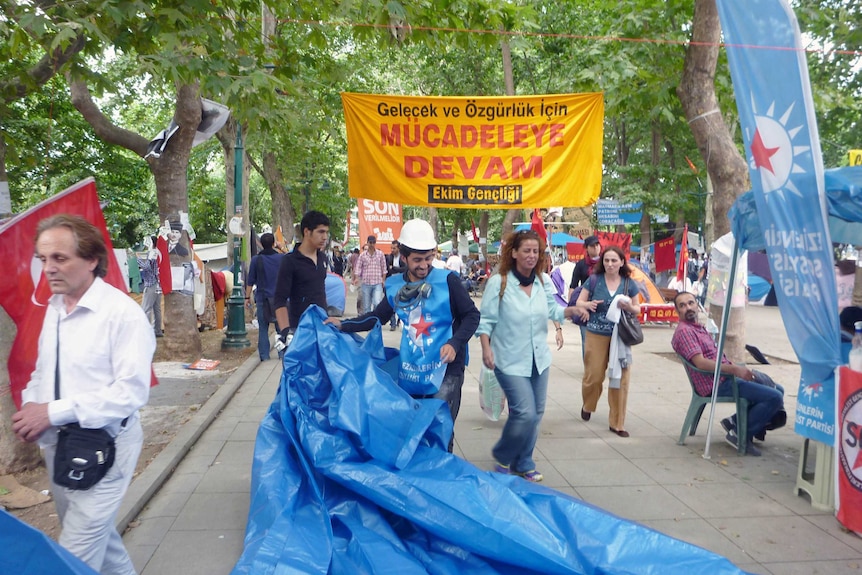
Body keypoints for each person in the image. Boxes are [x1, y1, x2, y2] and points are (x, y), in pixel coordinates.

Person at [12, 214, 155, 575]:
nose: (48, 268)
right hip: (58, 445)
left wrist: (52, 411)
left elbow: (131, 392)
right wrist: (32, 405)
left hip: (105, 447)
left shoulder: (122, 314)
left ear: (92, 260)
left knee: (73, 555)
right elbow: (45, 370)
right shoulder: (56, 309)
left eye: (60, 258)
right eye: (43, 259)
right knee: (100, 545)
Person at [326, 219, 480, 452]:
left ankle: (441, 478)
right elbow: (378, 317)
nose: (424, 265)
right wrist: (344, 325)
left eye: (428, 258)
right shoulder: (395, 284)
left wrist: (455, 343)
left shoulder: (448, 281)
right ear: (404, 257)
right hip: (413, 368)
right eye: (417, 260)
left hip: (447, 368)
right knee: (414, 430)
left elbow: (471, 316)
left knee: (440, 429)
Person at [477, 229, 580, 481]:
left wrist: (574, 310)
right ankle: (503, 454)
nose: (532, 256)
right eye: (527, 251)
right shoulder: (499, 282)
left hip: (539, 360)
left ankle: (523, 462)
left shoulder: (543, 281)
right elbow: (486, 320)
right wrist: (486, 348)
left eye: (536, 251)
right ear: (513, 253)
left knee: (536, 414)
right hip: (508, 359)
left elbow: (554, 310)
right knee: (525, 413)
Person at [671, 292, 786, 456]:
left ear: (697, 305)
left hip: (724, 377)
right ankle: (739, 433)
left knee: (777, 389)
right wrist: (735, 370)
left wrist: (738, 369)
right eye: (682, 305)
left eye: (691, 303)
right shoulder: (685, 332)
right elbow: (701, 363)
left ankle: (734, 421)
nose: (688, 307)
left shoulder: (698, 328)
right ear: (677, 311)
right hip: (716, 383)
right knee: (774, 397)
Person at [574, 246, 642, 437]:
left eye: (614, 260)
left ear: (622, 262)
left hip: (621, 336)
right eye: (606, 260)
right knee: (593, 376)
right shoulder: (594, 280)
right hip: (596, 333)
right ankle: (588, 404)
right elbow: (579, 302)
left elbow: (637, 308)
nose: (610, 264)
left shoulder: (629, 284)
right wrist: (588, 305)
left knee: (621, 379)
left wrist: (628, 306)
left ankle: (617, 423)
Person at [273, 211, 330, 351]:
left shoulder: (323, 258)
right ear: (307, 231)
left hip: (322, 329)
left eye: (326, 232)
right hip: (299, 330)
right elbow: (279, 299)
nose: (325, 237)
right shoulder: (290, 261)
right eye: (320, 232)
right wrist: (286, 333)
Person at [245, 232, 284, 361]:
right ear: (274, 243)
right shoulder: (281, 258)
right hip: (279, 299)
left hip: (262, 299)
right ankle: (282, 354)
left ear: (261, 244)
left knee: (263, 328)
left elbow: (250, 281)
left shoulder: (256, 260)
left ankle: (265, 356)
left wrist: (246, 298)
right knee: (280, 328)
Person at [567, 235, 601, 356]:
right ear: (586, 248)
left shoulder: (606, 262)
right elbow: (573, 286)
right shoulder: (581, 265)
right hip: (584, 304)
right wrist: (570, 308)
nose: (596, 248)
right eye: (593, 246)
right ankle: (588, 366)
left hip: (602, 305)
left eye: (597, 245)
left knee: (601, 339)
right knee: (585, 339)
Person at [353, 234, 387, 314]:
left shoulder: (380, 254)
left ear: (375, 243)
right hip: (366, 283)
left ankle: (375, 320)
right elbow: (358, 267)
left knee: (377, 303)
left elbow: (384, 268)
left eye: (373, 243)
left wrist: (383, 280)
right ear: (367, 243)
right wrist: (356, 278)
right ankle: (368, 324)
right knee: (366, 307)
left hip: (377, 283)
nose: (372, 244)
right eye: (370, 242)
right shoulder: (362, 255)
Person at [138, 236, 163, 337]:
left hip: (151, 283)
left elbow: (146, 267)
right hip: (158, 283)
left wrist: (138, 259)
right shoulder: (158, 252)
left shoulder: (151, 252)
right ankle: (157, 330)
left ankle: (147, 331)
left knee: (146, 308)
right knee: (157, 309)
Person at [385, 240, 406, 330]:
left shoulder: (403, 258)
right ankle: (393, 322)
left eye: (394, 248)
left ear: (399, 248)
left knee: (401, 302)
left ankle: (400, 320)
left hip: (402, 282)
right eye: (391, 248)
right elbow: (387, 269)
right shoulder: (389, 257)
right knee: (391, 302)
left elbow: (405, 269)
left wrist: (395, 269)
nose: (392, 250)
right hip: (392, 282)